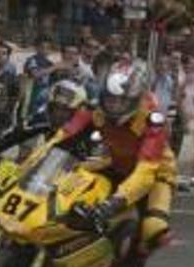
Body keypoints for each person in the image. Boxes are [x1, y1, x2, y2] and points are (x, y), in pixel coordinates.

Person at [50, 61, 176, 255]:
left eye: (122, 101)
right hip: (115, 163)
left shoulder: (153, 121)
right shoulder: (96, 109)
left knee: (153, 227)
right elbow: (62, 136)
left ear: (136, 100)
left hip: (155, 174)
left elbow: (145, 172)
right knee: (74, 188)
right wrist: (34, 163)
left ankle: (133, 264)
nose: (115, 106)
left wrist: (115, 202)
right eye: (111, 99)